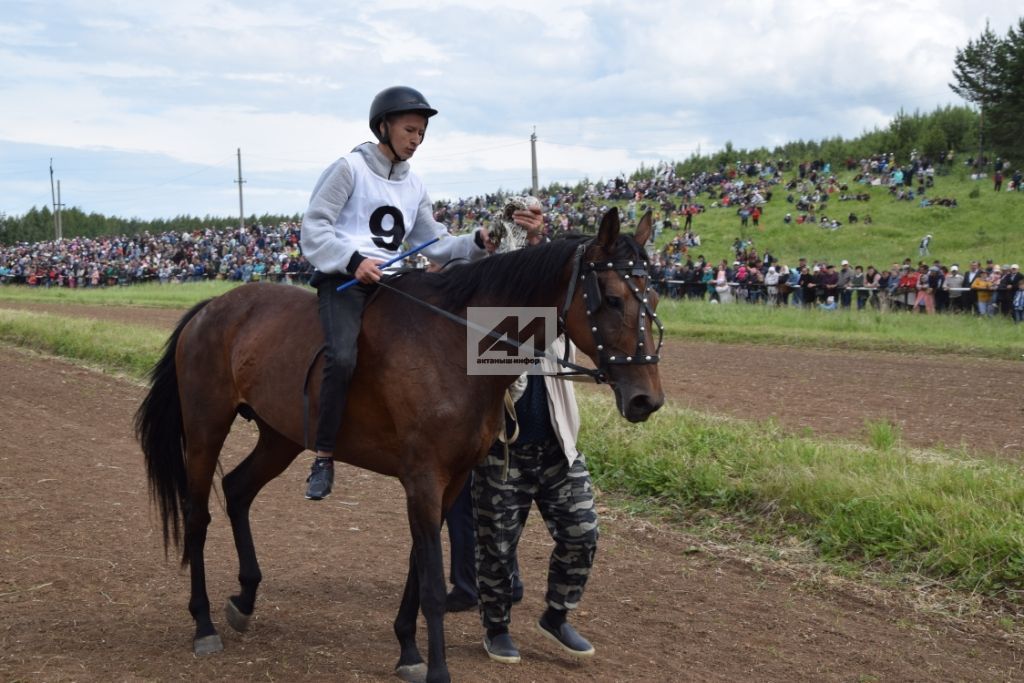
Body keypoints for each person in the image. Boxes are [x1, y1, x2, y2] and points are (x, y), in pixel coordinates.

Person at [298, 86, 538, 500]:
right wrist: (353, 260)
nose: (416, 140)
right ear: (383, 126)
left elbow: (437, 243)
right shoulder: (348, 169)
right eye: (410, 130)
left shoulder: (415, 185)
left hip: (393, 280)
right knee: (343, 355)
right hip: (346, 279)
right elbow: (314, 229)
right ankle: (324, 453)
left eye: (422, 134)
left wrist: (479, 240)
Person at [472, 227, 599, 665]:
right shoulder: (495, 311)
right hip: (503, 454)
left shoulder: (565, 314)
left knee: (583, 533)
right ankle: (497, 627)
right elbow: (492, 357)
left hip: (558, 450)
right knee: (497, 549)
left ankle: (557, 614)